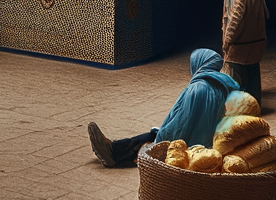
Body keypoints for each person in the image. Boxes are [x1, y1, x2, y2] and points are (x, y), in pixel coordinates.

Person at [88, 48, 240, 168]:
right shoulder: (222, 86)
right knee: (153, 134)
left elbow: (182, 123)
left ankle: (114, 155)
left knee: (151, 139)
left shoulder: (197, 88)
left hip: (193, 145)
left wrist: (160, 137)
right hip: (213, 142)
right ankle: (113, 147)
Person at [221, 0, 268, 104]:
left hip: (239, 45)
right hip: (258, 41)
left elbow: (234, 20)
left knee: (237, 81)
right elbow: (266, 13)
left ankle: (241, 110)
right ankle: (255, 106)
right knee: (253, 76)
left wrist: (227, 42)